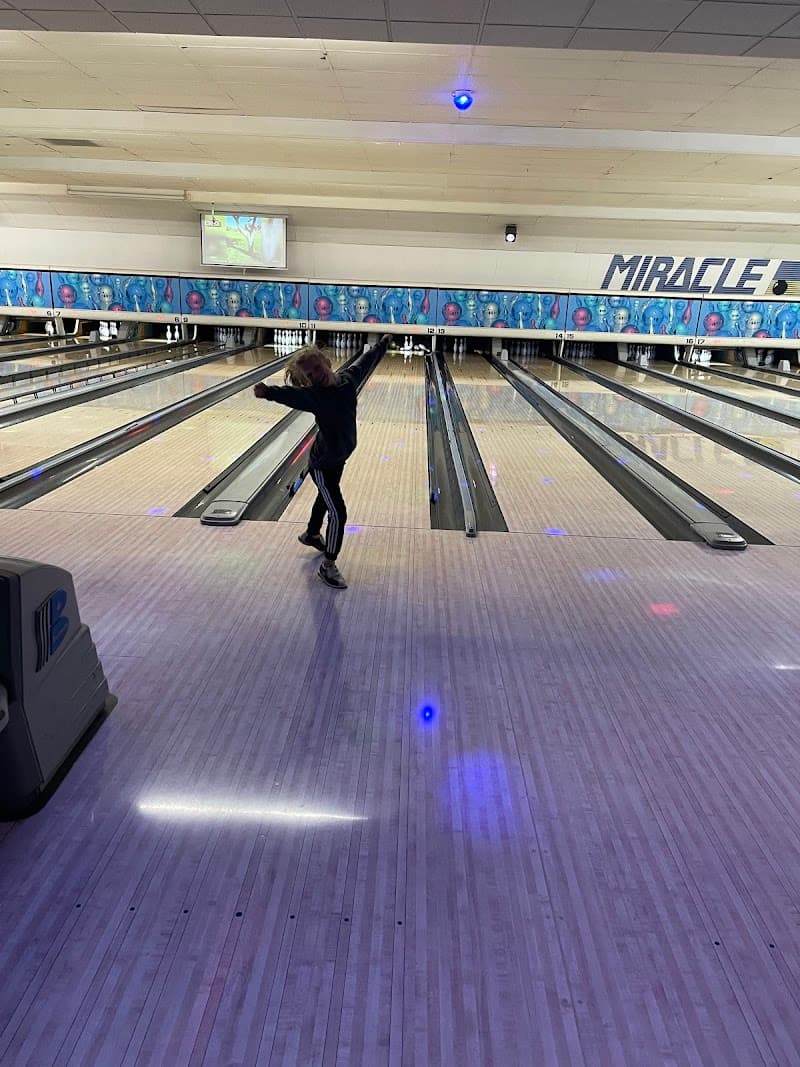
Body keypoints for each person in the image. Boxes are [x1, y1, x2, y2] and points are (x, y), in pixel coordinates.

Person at [253, 333, 391, 589]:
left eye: (317, 368)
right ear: (307, 382)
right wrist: (267, 392)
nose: (317, 375)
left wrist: (383, 343)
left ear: (327, 362)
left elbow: (367, 360)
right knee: (338, 513)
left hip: (337, 458)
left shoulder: (348, 381)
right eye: (310, 375)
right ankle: (328, 566)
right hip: (323, 465)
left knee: (324, 498)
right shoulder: (315, 396)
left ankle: (312, 533)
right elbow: (290, 395)